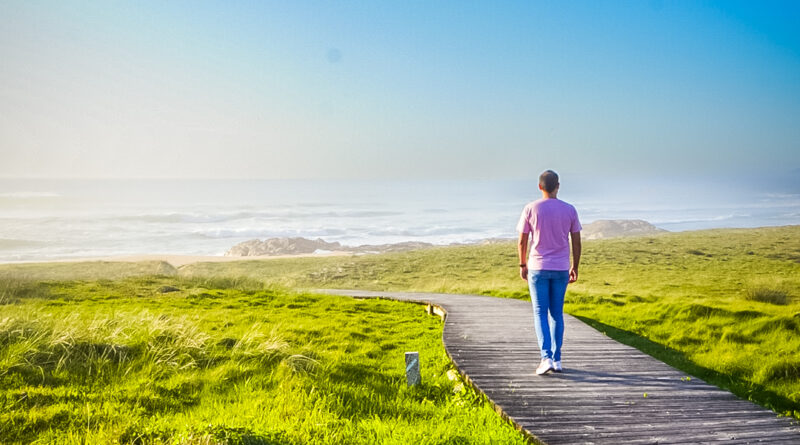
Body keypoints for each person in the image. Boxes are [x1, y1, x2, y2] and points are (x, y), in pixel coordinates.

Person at [516, 170, 582, 375]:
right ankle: (558, 358)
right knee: (556, 314)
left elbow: (522, 240)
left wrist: (522, 264)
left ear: (539, 187)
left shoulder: (530, 208)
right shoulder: (569, 210)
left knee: (539, 312)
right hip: (561, 268)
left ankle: (546, 358)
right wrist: (575, 266)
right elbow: (577, 241)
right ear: (558, 186)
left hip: (538, 268)